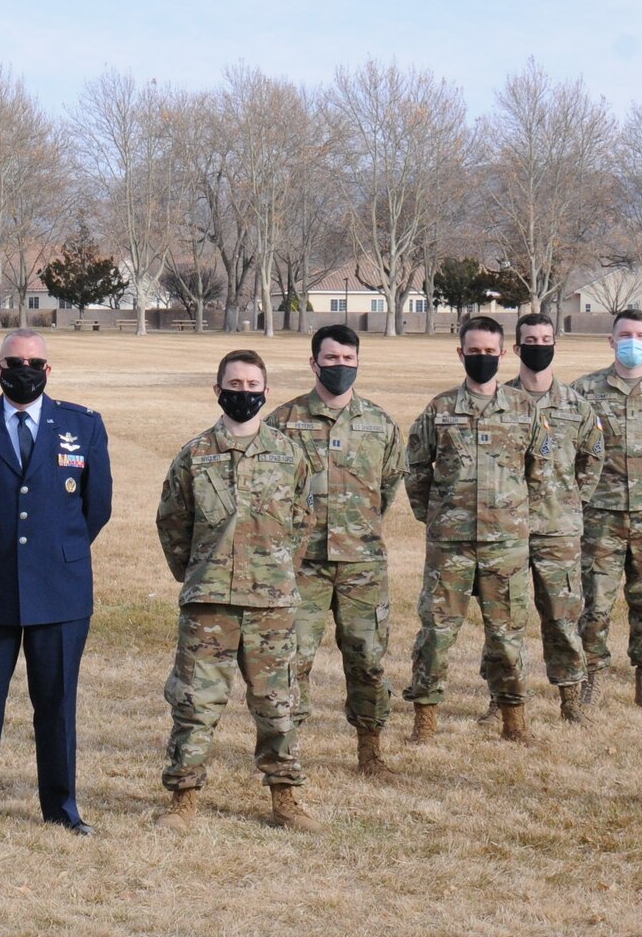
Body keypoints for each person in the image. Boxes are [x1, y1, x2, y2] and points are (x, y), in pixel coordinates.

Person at [0, 328, 110, 839]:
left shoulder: (82, 426)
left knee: (57, 705)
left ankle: (62, 808)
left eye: (34, 362)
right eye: (14, 362)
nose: (24, 370)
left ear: (49, 370)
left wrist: (56, 552)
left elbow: (95, 507)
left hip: (59, 588)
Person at [154, 350, 316, 831]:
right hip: (209, 603)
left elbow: (302, 522)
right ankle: (183, 798)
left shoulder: (289, 455)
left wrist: (278, 570)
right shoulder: (195, 455)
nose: (243, 392)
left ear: (265, 391)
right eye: (234, 383)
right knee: (195, 702)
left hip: (271, 603)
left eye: (252, 384)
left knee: (278, 703)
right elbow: (172, 522)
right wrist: (201, 572)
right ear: (217, 389)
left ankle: (285, 798)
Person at [265, 324, 406, 776]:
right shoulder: (282, 422)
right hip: (301, 566)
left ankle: (370, 749)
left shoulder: (379, 424)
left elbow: (388, 485)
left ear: (358, 362)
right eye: (331, 359)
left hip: (361, 564)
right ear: (314, 363)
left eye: (348, 359)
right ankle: (288, 754)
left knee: (367, 659)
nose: (339, 367)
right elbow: (270, 489)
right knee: (293, 661)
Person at [402, 316, 540, 741]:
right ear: (460, 354)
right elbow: (415, 469)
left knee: (507, 635)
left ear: (503, 354)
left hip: (506, 545)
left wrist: (515, 518)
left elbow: (537, 472)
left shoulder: (523, 409)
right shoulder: (439, 410)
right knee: (437, 634)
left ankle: (514, 720)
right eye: (473, 351)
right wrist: (439, 516)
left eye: (489, 352)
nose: (482, 359)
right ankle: (425, 720)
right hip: (451, 546)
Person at [572, 310, 642, 707]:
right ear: (611, 340)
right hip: (600, 516)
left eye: (640, 335)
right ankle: (592, 679)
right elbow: (576, 448)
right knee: (595, 602)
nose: (632, 341)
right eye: (625, 334)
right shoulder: (585, 391)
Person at [503, 313, 605, 722]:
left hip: (558, 527)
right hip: (506, 528)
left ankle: (569, 698)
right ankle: (503, 699)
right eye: (530, 339)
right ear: (516, 348)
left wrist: (571, 500)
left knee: (563, 617)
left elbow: (593, 458)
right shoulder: (500, 401)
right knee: (506, 620)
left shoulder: (577, 406)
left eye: (546, 339)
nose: (538, 346)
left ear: (555, 346)